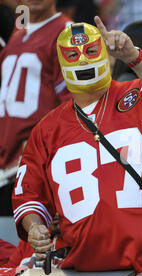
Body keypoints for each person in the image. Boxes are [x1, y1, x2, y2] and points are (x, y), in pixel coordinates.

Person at [10, 16, 142, 276]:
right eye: (73, 55)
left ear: (107, 56)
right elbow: (28, 195)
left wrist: (133, 56)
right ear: (61, 63)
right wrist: (35, 227)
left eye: (90, 51)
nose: (83, 61)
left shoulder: (136, 94)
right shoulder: (47, 128)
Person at [0, 0, 72, 217]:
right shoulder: (18, 30)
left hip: (36, 162)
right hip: (7, 161)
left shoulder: (66, 32)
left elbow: (75, 103)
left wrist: (43, 149)